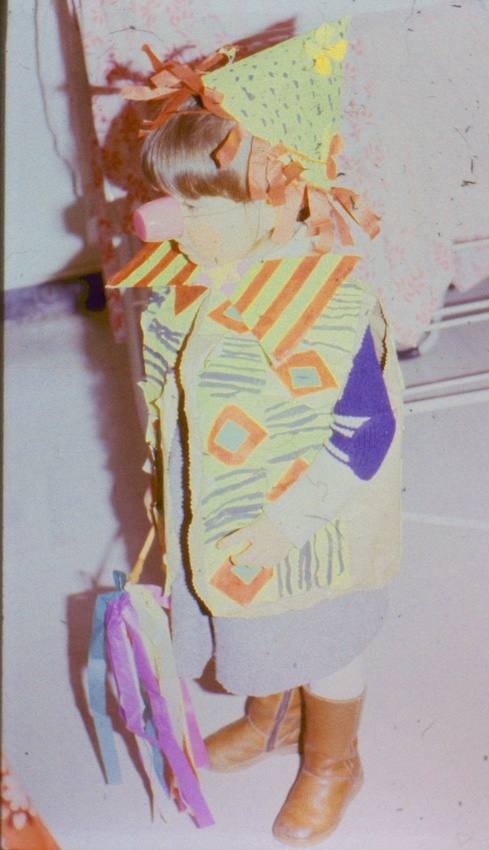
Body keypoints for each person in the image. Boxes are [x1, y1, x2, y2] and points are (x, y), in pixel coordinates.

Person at [110, 18, 404, 846]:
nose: (163, 221)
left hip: (309, 528)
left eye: (195, 205)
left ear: (276, 200)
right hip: (228, 513)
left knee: (324, 639)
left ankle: (334, 761)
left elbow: (365, 436)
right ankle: (274, 715)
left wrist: (282, 527)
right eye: (166, 199)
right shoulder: (196, 278)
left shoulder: (324, 306)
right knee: (248, 625)